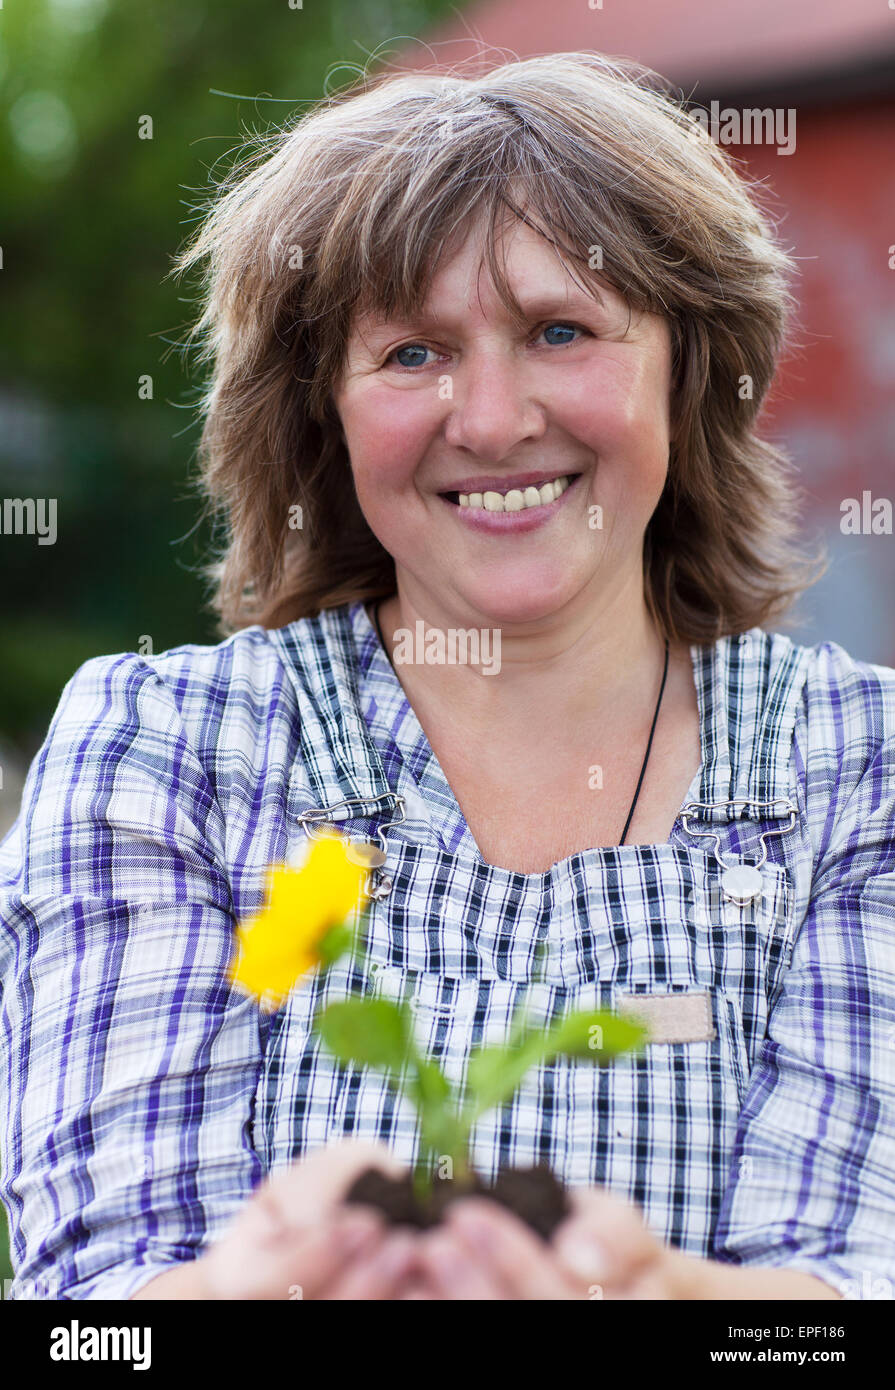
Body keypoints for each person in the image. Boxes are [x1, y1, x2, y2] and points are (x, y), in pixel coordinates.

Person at [2, 51, 893, 1301]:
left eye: (560, 330)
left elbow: (847, 1288)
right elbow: (92, 1319)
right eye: (414, 352)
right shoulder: (172, 752)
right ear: (324, 413)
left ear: (687, 370)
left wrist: (658, 1298)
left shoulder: (853, 770)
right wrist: (243, 1292)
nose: (488, 418)